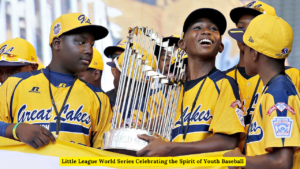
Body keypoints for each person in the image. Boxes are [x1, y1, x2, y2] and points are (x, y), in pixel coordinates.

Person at [136, 8, 245, 157]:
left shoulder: (223, 84)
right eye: (197, 27)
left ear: (221, 46)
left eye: (213, 29)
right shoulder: (172, 92)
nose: (206, 31)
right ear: (182, 44)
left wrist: (170, 148)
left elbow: (227, 142)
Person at [0, 13, 112, 149]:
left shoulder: (99, 98)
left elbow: (105, 154)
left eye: (92, 44)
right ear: (57, 44)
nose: (89, 50)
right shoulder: (14, 84)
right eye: (81, 42)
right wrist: (15, 129)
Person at [224, 14, 299, 169]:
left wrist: (239, 160)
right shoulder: (275, 88)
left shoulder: (278, 93)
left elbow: (282, 161)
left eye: (245, 47)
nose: (243, 51)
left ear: (255, 53)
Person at [104, 39, 126, 108]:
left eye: (121, 58)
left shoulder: (150, 97)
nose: (115, 66)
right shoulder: (105, 98)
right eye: (113, 58)